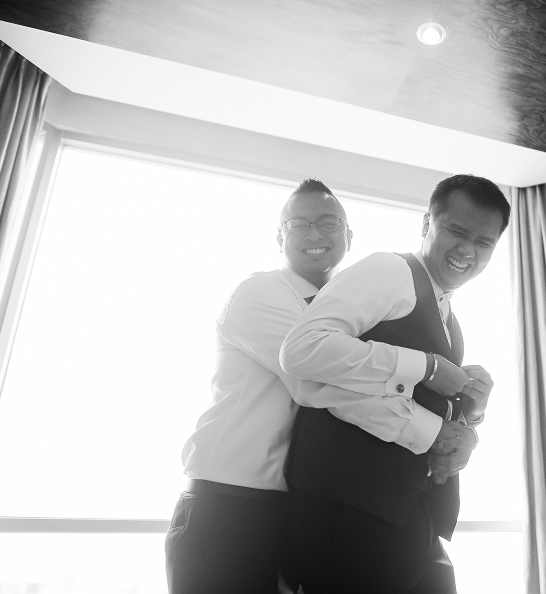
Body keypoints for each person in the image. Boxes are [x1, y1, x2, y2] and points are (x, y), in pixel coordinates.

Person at [165, 178, 473, 593]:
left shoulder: (351, 313)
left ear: (349, 237)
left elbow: (382, 386)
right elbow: (316, 385)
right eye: (299, 225)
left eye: (328, 223)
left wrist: (465, 412)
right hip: (226, 506)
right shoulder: (261, 293)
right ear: (279, 238)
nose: (314, 235)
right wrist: (434, 430)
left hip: (293, 509)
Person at [280, 174, 511, 594]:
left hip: (413, 515)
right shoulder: (390, 271)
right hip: (351, 513)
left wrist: (471, 418)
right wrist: (427, 367)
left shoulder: (451, 319)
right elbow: (303, 351)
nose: (467, 251)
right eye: (456, 232)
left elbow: (407, 397)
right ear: (426, 224)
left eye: (484, 242)